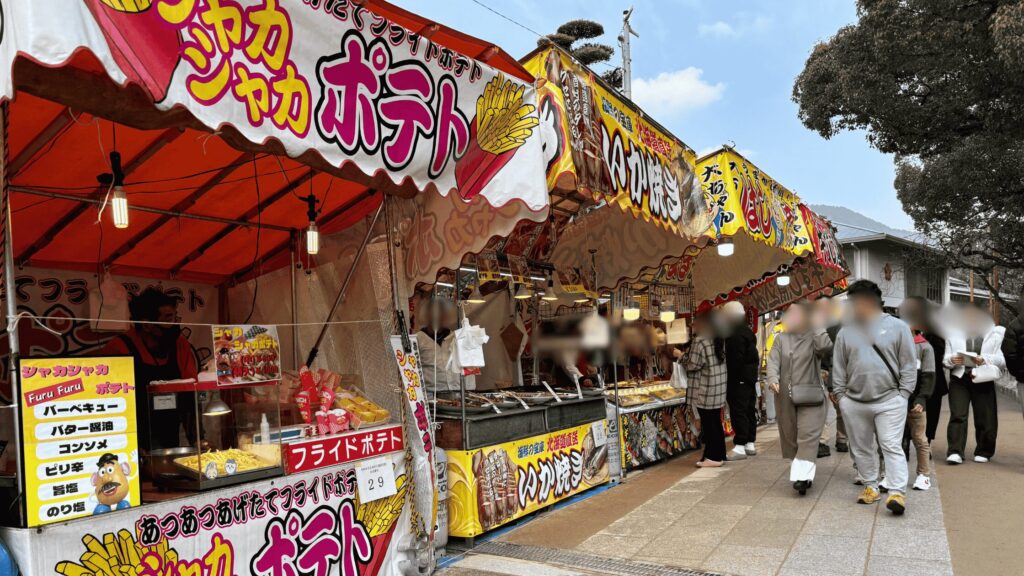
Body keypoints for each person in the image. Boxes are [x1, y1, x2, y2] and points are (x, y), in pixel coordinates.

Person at [832, 280, 917, 515]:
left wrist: (904, 394)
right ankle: (871, 486)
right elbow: (839, 366)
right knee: (861, 447)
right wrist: (841, 396)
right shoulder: (845, 332)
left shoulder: (898, 327)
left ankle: (897, 492)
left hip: (890, 399)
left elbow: (909, 364)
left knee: (890, 445)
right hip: (854, 401)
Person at [102, 288, 198, 452]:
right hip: (132, 438)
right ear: (147, 324)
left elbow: (191, 396)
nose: (175, 324)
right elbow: (110, 404)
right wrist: (127, 446)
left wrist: (197, 439)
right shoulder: (120, 348)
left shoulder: (180, 344)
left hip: (170, 432)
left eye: (175, 317)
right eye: (168, 318)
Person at [766, 302, 833, 495]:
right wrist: (773, 379)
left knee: (807, 436)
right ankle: (805, 472)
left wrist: (817, 323)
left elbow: (826, 346)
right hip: (786, 396)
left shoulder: (815, 336)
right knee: (791, 436)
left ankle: (801, 478)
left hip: (811, 396)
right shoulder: (781, 338)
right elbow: (773, 361)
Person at [944, 303, 1005, 464]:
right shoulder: (952, 333)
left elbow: (1002, 360)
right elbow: (945, 359)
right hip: (959, 378)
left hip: (983, 377)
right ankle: (955, 451)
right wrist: (952, 360)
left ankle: (984, 451)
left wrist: (984, 359)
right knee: (958, 415)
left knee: (986, 417)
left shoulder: (995, 333)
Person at [897, 297, 936, 491]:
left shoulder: (925, 347)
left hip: (916, 402)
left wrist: (922, 398)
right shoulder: (893, 344)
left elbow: (929, 376)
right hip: (895, 400)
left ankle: (924, 475)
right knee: (893, 439)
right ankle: (892, 474)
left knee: (920, 438)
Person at [685, 312, 729, 468]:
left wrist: (680, 356)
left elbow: (693, 365)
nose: (693, 325)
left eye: (695, 322)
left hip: (705, 389)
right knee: (715, 422)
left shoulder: (700, 341)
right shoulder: (719, 337)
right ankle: (719, 454)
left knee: (710, 425)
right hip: (718, 388)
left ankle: (713, 457)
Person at [722, 301, 760, 459]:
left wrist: (731, 379)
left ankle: (740, 446)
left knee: (739, 410)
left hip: (739, 379)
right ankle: (750, 443)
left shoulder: (735, 335)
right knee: (749, 409)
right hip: (749, 378)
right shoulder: (747, 332)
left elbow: (735, 360)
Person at [816, 296, 847, 456]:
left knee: (840, 406)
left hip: (835, 369)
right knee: (820, 407)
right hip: (818, 369)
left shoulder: (839, 325)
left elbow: (839, 350)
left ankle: (842, 439)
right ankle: (822, 441)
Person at [1002, 289, 1024, 418]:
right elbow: (1009, 354)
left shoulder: (1014, 326)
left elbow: (1009, 355)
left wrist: (1020, 374)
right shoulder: (1014, 327)